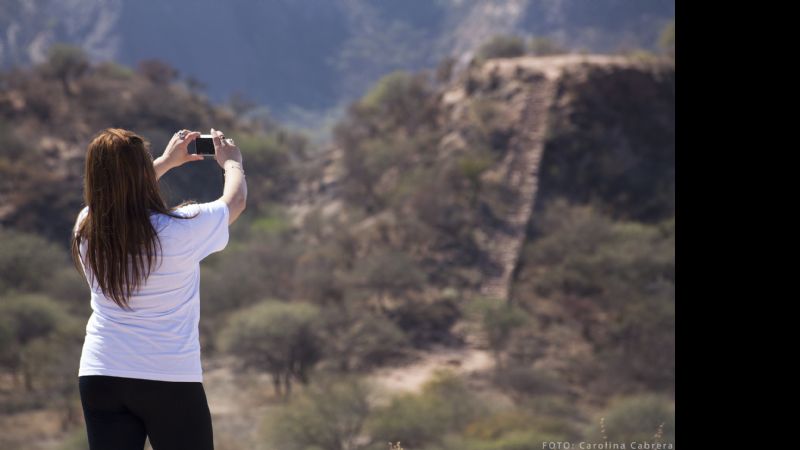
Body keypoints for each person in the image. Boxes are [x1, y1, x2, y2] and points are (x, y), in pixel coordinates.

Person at [71, 127, 247, 450]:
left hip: (101, 373)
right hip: (168, 375)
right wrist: (232, 162)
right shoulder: (180, 230)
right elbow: (235, 201)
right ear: (141, 169)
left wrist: (166, 161)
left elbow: (116, 195)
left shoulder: (87, 226)